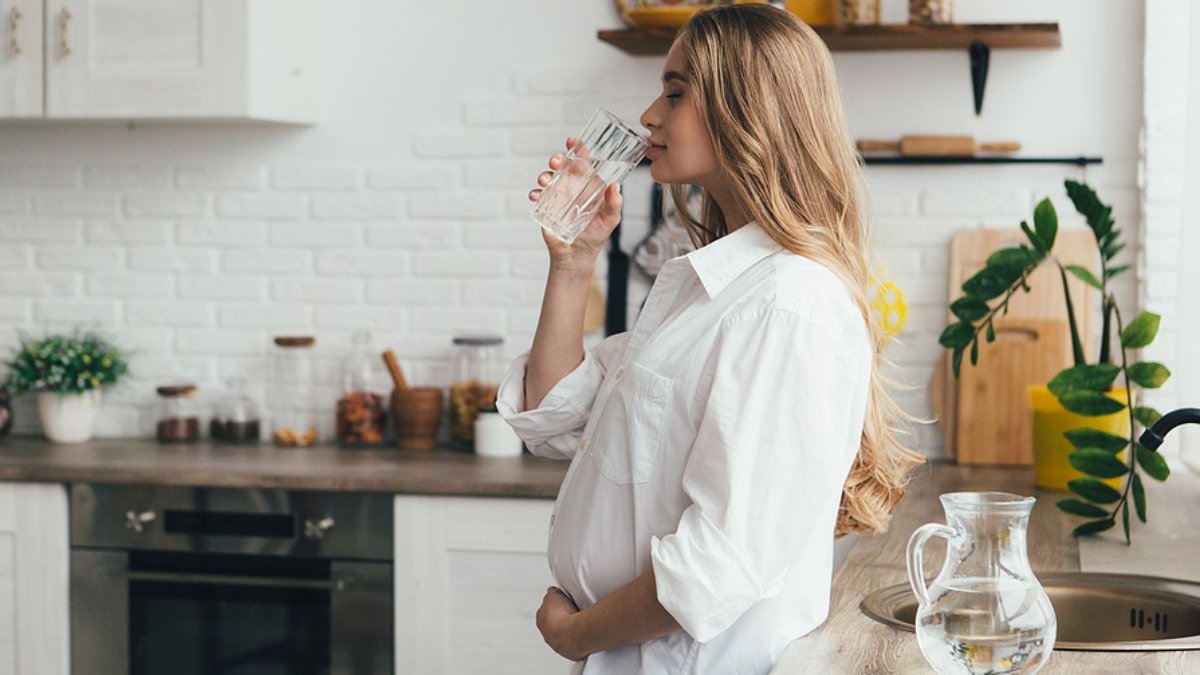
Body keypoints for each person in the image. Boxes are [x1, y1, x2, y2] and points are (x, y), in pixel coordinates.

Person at [496, 4, 926, 673]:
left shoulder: (788, 304)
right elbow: (552, 417)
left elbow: (719, 562)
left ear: (746, 108)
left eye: (675, 92)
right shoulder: (707, 289)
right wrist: (573, 264)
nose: (649, 115)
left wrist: (576, 634)